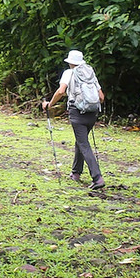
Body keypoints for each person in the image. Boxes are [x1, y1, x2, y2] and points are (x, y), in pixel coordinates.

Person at [41, 50, 106, 190]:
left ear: (70, 62)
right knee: (81, 141)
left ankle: (97, 177)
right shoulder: (90, 72)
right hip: (92, 113)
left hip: (77, 112)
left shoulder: (69, 73)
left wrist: (49, 105)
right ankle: (76, 173)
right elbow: (101, 97)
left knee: (83, 143)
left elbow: (60, 91)